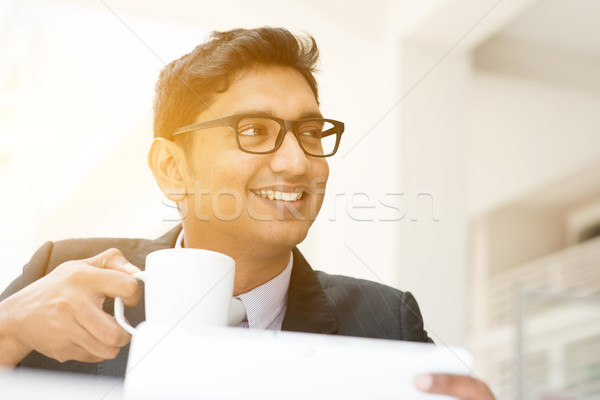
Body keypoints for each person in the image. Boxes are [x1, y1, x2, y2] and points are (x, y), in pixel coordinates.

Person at [0, 27, 494, 399]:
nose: (297, 162)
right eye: (254, 131)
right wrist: (8, 330)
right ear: (172, 168)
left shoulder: (387, 323)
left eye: (310, 132)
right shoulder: (61, 278)